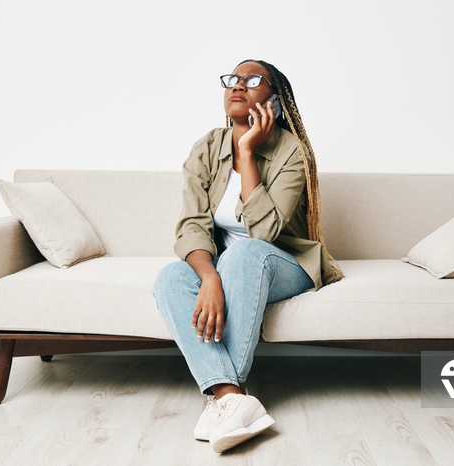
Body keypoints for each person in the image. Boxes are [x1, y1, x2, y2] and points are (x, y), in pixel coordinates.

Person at [153, 59, 342, 453]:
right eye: (233, 79)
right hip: (225, 265)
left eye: (253, 80)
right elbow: (191, 226)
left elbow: (264, 234)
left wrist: (247, 151)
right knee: (170, 277)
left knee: (246, 254)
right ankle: (232, 398)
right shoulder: (205, 148)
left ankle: (225, 399)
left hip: (283, 262)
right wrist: (209, 278)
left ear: (273, 101)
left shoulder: (291, 151)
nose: (238, 85)